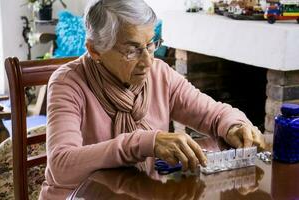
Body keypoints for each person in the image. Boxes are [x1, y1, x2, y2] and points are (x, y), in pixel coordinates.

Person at [39, 0, 266, 199]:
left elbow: (213, 114)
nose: (148, 61)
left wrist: (235, 125)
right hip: (80, 195)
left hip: (143, 192)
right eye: (132, 50)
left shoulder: (159, 74)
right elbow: (62, 165)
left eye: (150, 44)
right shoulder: (68, 82)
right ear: (95, 49)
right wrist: (143, 142)